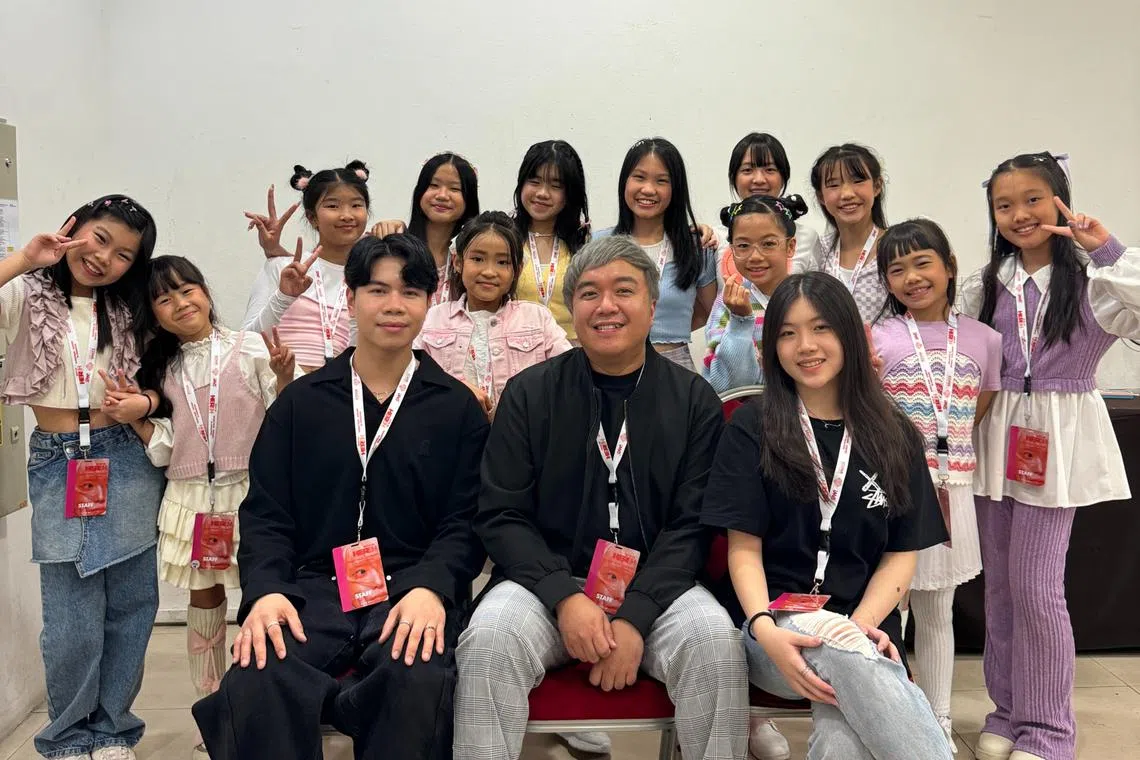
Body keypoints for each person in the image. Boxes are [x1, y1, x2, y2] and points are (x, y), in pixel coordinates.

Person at [192, 233, 489, 759]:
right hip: (312, 588)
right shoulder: (301, 404)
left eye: (411, 292)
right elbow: (266, 516)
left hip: (409, 588)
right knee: (260, 673)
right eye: (377, 290)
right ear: (350, 299)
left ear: (430, 301)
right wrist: (265, 594)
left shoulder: (456, 408)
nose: (394, 306)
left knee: (417, 675)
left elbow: (464, 522)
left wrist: (434, 589)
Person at [454, 235, 748, 760]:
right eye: (589, 293)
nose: (606, 306)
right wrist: (565, 599)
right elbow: (501, 514)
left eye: (624, 291)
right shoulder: (530, 393)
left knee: (715, 645)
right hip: (546, 586)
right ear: (573, 308)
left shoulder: (691, 399)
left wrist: (635, 617)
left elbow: (695, 524)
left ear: (652, 305)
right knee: (488, 642)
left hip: (660, 589)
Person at [702, 272, 952, 759]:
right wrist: (763, 626)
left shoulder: (894, 431)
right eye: (788, 333)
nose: (805, 346)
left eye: (820, 329)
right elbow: (744, 550)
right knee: (840, 651)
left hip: (866, 626)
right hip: (770, 630)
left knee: (844, 739)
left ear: (848, 335)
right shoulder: (753, 426)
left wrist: (858, 624)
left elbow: (902, 555)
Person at [957, 152, 1140, 760]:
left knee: (1037, 587)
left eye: (1033, 199)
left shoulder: (1094, 281)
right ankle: (1006, 713)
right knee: (1001, 588)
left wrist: (1106, 247)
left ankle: (1049, 729)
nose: (1019, 214)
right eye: (1004, 204)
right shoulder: (985, 285)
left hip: (1055, 442)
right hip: (995, 435)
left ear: (1060, 200)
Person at [0, 196, 164, 760]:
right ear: (74, 227)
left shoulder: (134, 306)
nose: (104, 259)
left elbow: (179, 365)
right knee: (70, 615)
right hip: (59, 456)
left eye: (123, 255)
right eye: (99, 238)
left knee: (132, 604)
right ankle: (67, 736)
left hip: (126, 453)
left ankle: (113, 728)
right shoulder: (26, 294)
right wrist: (24, 258)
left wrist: (144, 400)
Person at [130, 255, 301, 758]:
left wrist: (286, 376)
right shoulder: (160, 367)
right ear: (154, 313)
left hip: (248, 492)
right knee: (204, 605)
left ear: (205, 291)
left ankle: (264, 711)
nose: (180, 303)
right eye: (164, 298)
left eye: (187, 290)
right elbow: (167, 442)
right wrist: (137, 421)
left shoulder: (249, 347)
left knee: (262, 596)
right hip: (191, 502)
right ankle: (214, 715)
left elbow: (283, 417)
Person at [870, 220, 1002, 745]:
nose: (911, 277)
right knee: (884, 607)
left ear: (949, 265)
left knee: (936, 610)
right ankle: (887, 717)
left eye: (922, 263)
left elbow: (981, 407)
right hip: (894, 492)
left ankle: (937, 720)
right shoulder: (876, 337)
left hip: (954, 490)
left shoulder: (985, 339)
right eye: (896, 269)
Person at [415, 211, 570, 417]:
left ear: (517, 269)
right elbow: (409, 373)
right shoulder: (433, 318)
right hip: (449, 434)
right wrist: (455, 389)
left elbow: (568, 374)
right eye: (478, 259)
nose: (489, 271)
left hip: (519, 436)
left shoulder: (537, 318)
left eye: (503, 262)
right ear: (458, 262)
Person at [596, 137, 720, 370]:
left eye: (661, 181)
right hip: (612, 367)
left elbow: (712, 313)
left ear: (676, 189)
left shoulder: (697, 248)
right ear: (625, 181)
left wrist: (671, 326)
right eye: (639, 177)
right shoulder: (599, 244)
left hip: (676, 367)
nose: (648, 189)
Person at [242, 161, 371, 371]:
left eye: (356, 205)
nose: (346, 215)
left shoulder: (371, 275)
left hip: (341, 393)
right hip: (279, 387)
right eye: (332, 206)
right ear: (312, 218)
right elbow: (246, 342)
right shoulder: (284, 267)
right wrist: (284, 297)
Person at [704, 194, 806, 393]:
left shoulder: (807, 298)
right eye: (743, 246)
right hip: (747, 417)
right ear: (732, 250)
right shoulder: (729, 302)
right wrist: (740, 319)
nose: (755, 256)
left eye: (768, 244)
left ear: (790, 246)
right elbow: (729, 383)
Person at [370, 152, 481, 305]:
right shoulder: (395, 244)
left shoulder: (474, 257)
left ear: (469, 199)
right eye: (433, 185)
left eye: (455, 188)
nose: (442, 195)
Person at [511, 139, 592, 343]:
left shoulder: (585, 243)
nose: (542, 193)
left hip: (573, 354)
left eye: (555, 186)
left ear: (570, 193)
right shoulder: (504, 238)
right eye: (535, 182)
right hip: (516, 355)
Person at [719, 132, 823, 281]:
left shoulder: (807, 237)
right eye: (748, 170)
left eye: (770, 170)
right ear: (734, 178)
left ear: (783, 177)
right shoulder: (714, 239)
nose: (759, 179)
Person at [806, 144, 890, 324]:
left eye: (858, 180)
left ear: (877, 186)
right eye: (834, 185)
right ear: (821, 197)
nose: (847, 194)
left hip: (887, 352)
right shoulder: (816, 251)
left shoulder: (896, 248)